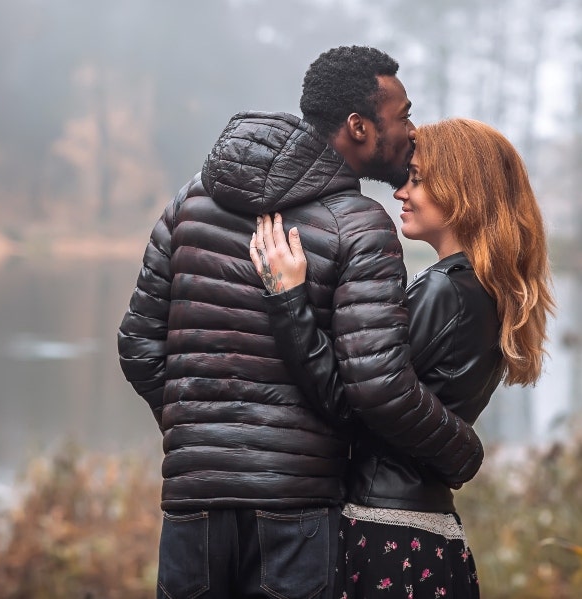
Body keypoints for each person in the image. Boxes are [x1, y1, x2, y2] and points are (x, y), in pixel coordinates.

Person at [117, 46, 483, 599]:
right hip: (297, 509)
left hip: (193, 501)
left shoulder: (191, 199)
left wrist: (200, 432)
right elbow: (372, 388)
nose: (412, 132)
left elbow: (137, 347)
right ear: (359, 127)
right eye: (402, 115)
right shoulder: (361, 226)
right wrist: (462, 450)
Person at [249, 118, 554, 598]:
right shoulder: (485, 292)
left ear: (462, 189)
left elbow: (352, 397)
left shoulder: (445, 290)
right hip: (427, 531)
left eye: (417, 178)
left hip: (386, 536)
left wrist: (287, 298)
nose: (400, 193)